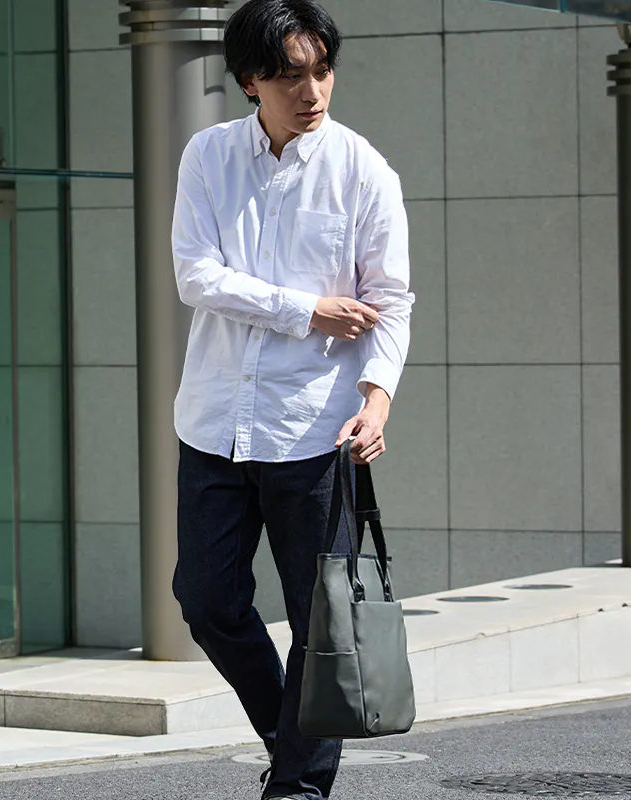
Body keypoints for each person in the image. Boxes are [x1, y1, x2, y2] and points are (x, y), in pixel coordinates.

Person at [169, 1, 414, 797]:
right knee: (206, 602)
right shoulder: (208, 157)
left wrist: (376, 401)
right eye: (288, 76)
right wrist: (306, 309)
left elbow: (390, 302)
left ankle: (299, 786)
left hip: (315, 431)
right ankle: (289, 733)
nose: (311, 91)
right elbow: (196, 276)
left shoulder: (363, 171)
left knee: (321, 625)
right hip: (213, 424)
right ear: (250, 81)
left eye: (322, 70)